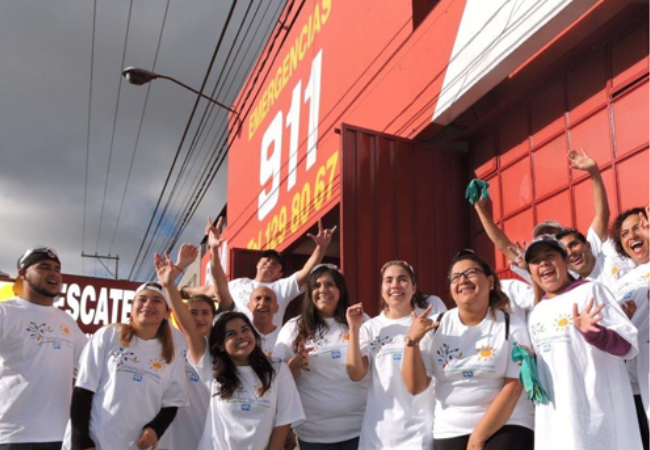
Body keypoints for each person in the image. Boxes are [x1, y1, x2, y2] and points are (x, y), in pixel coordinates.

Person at [155, 250, 305, 450]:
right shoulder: (213, 369)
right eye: (231, 334)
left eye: (245, 330)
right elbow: (190, 329)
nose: (241, 336)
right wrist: (168, 286)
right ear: (221, 345)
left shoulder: (278, 371)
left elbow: (282, 423)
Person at [402, 250, 534, 450]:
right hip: (451, 427)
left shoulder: (510, 324)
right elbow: (415, 387)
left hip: (507, 422)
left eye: (471, 272)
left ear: (490, 282)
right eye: (455, 277)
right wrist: (411, 343)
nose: (462, 280)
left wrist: (478, 437)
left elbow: (515, 385)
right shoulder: (436, 325)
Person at [524, 234, 642, 449]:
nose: (543, 264)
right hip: (555, 428)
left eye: (550, 256)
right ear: (530, 271)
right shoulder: (536, 313)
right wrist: (528, 365)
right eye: (535, 261)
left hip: (599, 424)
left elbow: (627, 346)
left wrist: (596, 334)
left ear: (565, 260)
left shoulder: (592, 290)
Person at [473, 148, 632, 289]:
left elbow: (602, 214)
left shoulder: (592, 248)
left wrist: (594, 173)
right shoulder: (560, 277)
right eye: (546, 241)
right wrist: (480, 209)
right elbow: (504, 246)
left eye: (554, 236)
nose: (569, 251)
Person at [68, 282, 187, 450]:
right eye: (142, 299)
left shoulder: (172, 354)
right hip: (96, 443)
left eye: (156, 301)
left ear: (167, 313)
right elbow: (83, 391)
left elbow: (171, 402)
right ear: (132, 307)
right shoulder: (108, 335)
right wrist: (82, 443)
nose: (148, 305)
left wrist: (155, 429)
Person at [346, 261, 446, 449]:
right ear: (382, 288)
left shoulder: (430, 324)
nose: (395, 285)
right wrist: (354, 328)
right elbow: (355, 373)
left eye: (402, 279)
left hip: (420, 433)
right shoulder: (371, 327)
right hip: (378, 435)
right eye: (388, 280)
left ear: (414, 287)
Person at [274, 264, 370, 450]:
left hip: (359, 429)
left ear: (340, 290)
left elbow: (367, 369)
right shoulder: (294, 327)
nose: (323, 290)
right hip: (313, 434)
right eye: (316, 285)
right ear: (309, 292)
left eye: (330, 284)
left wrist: (354, 328)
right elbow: (275, 376)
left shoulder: (360, 320)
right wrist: (292, 366)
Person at [0, 247, 87, 450]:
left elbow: (94, 366)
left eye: (57, 269)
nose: (53, 273)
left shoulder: (67, 321)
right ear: (23, 274)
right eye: (44, 267)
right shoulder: (6, 312)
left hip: (60, 438)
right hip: (12, 437)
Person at [212, 217, 337, 328]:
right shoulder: (238, 283)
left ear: (280, 274)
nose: (269, 264)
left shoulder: (282, 288)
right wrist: (213, 248)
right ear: (257, 264)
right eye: (266, 260)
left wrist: (321, 248)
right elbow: (210, 290)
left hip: (268, 351)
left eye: (275, 264)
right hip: (236, 348)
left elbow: (306, 272)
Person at [611, 207, 650, 435]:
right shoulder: (621, 283)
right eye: (624, 234)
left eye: (638, 228)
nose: (632, 236)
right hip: (632, 376)